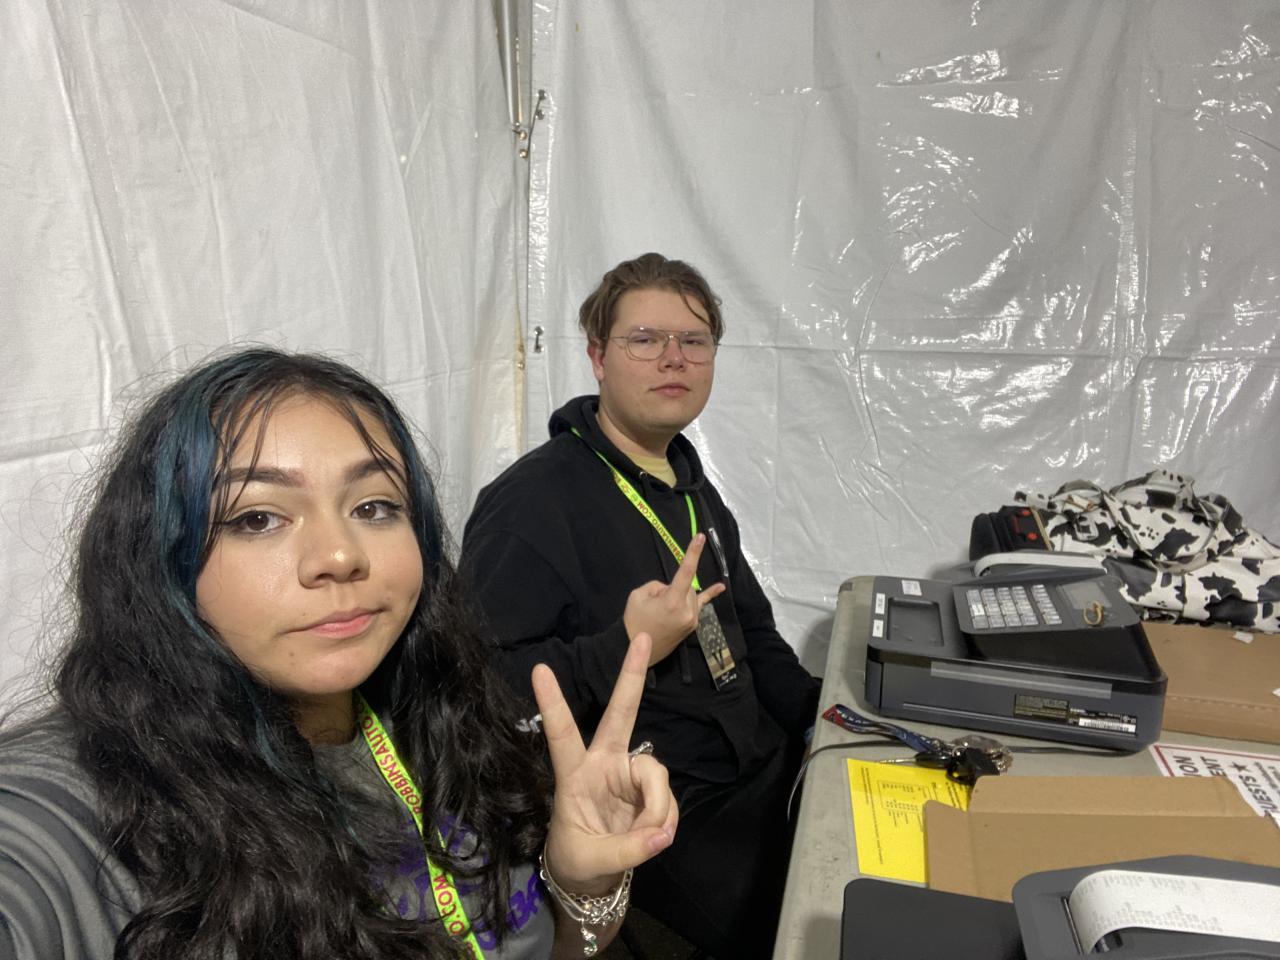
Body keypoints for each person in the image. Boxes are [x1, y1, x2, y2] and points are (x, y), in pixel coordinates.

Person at [0, 348, 678, 960]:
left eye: (374, 507)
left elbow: (554, 946)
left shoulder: (440, 716)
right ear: (160, 559)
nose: (340, 554)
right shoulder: (84, 806)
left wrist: (584, 884)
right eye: (257, 517)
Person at [460, 253, 822, 958]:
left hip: (756, 764)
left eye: (694, 340)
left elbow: (750, 629)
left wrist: (825, 719)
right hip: (652, 806)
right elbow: (481, 696)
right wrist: (624, 643)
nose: (673, 358)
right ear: (598, 357)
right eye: (644, 339)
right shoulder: (531, 504)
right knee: (817, 923)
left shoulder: (691, 489)